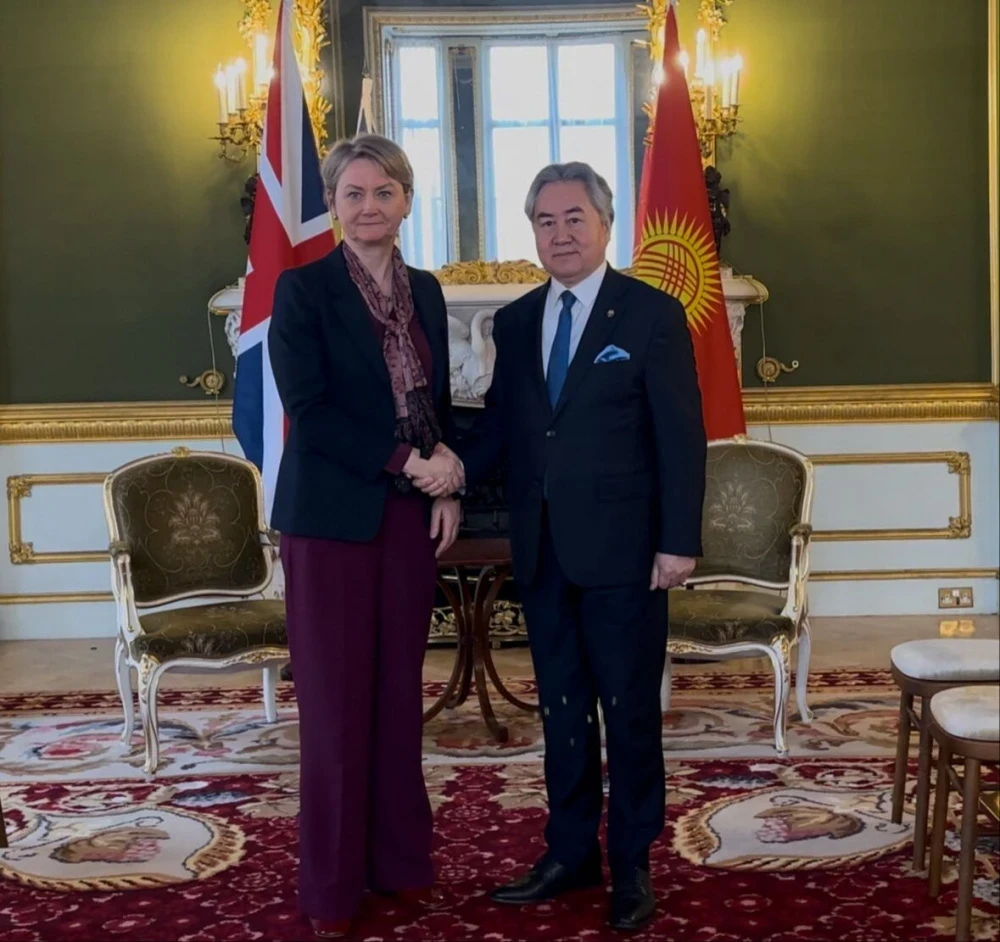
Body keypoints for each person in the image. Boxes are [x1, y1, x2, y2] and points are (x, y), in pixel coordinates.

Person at [453, 162, 707, 931]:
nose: (560, 234)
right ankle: (569, 853)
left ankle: (631, 863)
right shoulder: (516, 321)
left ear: (604, 225)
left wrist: (679, 541)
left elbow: (681, 437)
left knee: (627, 711)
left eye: (574, 218)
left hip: (628, 554)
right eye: (545, 221)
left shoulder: (651, 315)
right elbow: (502, 428)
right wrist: (448, 472)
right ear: (532, 231)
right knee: (562, 710)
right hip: (543, 551)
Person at [268, 134, 465, 940]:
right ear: (332, 206)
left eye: (384, 192)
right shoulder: (302, 290)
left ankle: (399, 866)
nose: (369, 207)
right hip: (328, 524)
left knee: (395, 702)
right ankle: (331, 891)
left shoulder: (428, 292)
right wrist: (408, 463)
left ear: (407, 201)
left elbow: (431, 403)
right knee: (336, 712)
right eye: (352, 194)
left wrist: (447, 481)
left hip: (409, 518)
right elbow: (309, 413)